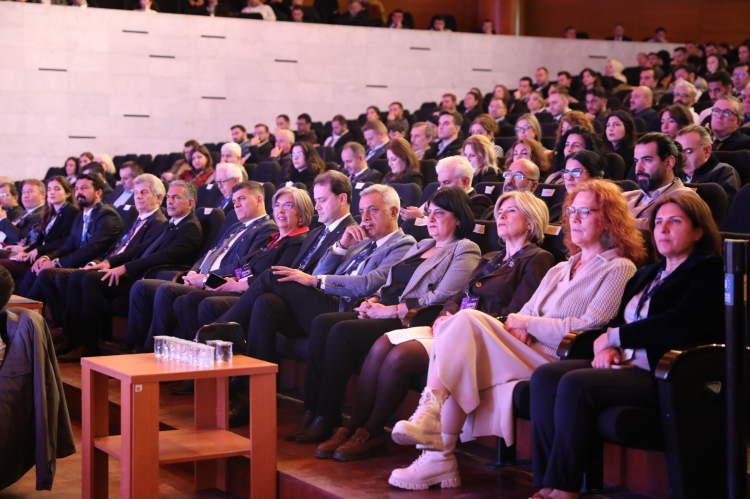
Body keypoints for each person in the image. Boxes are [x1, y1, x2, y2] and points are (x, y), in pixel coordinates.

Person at [388, 179, 644, 491]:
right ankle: (437, 456)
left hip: (557, 360)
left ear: (609, 218)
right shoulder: (561, 268)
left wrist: (527, 324)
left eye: (585, 212)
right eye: (571, 211)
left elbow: (590, 324)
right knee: (459, 342)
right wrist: (524, 323)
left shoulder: (619, 267)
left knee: (465, 321)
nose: (574, 219)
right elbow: (527, 312)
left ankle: (432, 428)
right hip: (525, 349)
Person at [319, 190, 555, 460]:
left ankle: (371, 432)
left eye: (510, 211)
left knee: (400, 355)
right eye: (499, 210)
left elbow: (519, 311)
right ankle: (353, 426)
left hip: (485, 335)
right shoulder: (492, 257)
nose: (500, 215)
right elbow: (458, 295)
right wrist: (446, 314)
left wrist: (461, 319)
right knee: (383, 344)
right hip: (455, 326)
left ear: (531, 221)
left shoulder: (538, 258)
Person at [529, 192, 723, 499]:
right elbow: (618, 320)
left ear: (699, 230)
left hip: (666, 372)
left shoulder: (708, 269)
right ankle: (546, 482)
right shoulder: (649, 272)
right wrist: (609, 347)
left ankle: (565, 489)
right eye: (658, 222)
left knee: (575, 383)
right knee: (546, 376)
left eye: (675, 222)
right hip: (626, 364)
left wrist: (615, 339)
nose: (663, 229)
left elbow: (679, 322)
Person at [292, 187, 481, 444]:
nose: (431, 219)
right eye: (429, 213)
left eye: (439, 213)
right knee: (322, 323)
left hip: (408, 317)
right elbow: (390, 282)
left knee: (341, 332)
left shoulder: (465, 249)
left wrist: (390, 310)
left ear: (458, 218)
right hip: (383, 308)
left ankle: (328, 416)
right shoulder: (423, 244)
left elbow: (445, 294)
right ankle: (314, 411)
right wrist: (373, 300)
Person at [56, 178, 203, 361]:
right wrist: (109, 262)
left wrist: (124, 268)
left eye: (176, 197)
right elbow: (138, 249)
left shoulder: (190, 227)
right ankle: (72, 338)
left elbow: (162, 256)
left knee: (90, 280)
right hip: (138, 273)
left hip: (148, 277)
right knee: (79, 276)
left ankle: (89, 345)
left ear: (190, 203)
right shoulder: (170, 223)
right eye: (169, 197)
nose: (170, 201)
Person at [15, 174, 124, 324]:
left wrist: (56, 263)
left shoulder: (107, 215)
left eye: (84, 188)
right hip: (79, 263)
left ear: (98, 192)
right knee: (39, 268)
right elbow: (68, 245)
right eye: (77, 188)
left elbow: (91, 249)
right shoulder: (81, 216)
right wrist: (48, 258)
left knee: (47, 274)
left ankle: (29, 318)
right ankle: (22, 315)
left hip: (95, 264)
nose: (79, 192)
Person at [0, 177, 79, 285]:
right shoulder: (50, 212)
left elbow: (65, 241)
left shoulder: (71, 212)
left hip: (50, 256)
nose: (51, 192)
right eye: (49, 189)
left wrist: (37, 251)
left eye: (56, 189)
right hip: (36, 255)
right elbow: (39, 241)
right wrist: (25, 252)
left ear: (68, 193)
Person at [625, 133, 693, 227]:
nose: (638, 168)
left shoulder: (685, 197)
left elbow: (659, 226)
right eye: (636, 161)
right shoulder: (626, 196)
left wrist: (616, 222)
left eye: (647, 160)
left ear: (668, 163)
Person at [400, 156, 493, 220]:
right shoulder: (437, 199)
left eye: (446, 182)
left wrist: (421, 219)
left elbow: (463, 230)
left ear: (465, 181)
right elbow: (417, 215)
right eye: (440, 183)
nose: (441, 187)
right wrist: (410, 214)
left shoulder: (479, 202)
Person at [676, 125, 740, 200]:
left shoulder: (724, 173)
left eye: (688, 151)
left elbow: (725, 205)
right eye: (679, 153)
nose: (682, 158)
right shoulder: (676, 174)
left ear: (707, 150)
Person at [549, 150, 606, 223]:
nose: (569, 178)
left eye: (576, 172)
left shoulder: (605, 211)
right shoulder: (557, 210)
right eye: (566, 172)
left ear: (595, 176)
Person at [0, 179, 46, 246]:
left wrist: (2, 219)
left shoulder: (41, 214)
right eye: (23, 192)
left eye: (30, 192)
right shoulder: (26, 212)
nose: (25, 196)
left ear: (43, 194)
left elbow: (21, 238)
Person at [603, 110, 637, 176]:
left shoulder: (633, 153)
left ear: (627, 128)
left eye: (616, 124)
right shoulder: (603, 151)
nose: (610, 129)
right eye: (608, 125)